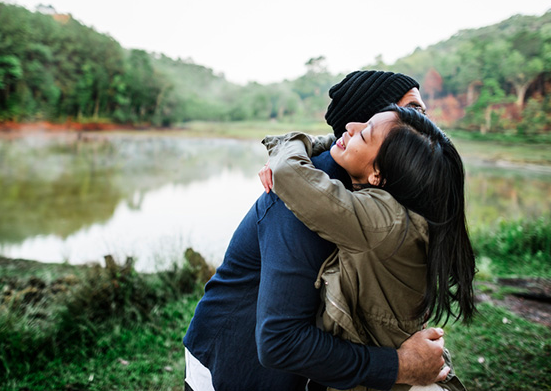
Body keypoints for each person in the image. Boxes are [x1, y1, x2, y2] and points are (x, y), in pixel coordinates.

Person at [183, 71, 448, 391]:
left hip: (303, 365)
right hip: (237, 361)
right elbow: (281, 340)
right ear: (374, 122)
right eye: (414, 110)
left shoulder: (386, 192)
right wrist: (399, 365)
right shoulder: (304, 193)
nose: (426, 121)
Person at [259, 105, 476, 391]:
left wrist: (292, 143)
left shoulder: (380, 221)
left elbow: (287, 171)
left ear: (377, 175)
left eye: (365, 134)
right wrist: (335, 144)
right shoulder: (408, 215)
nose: (351, 125)